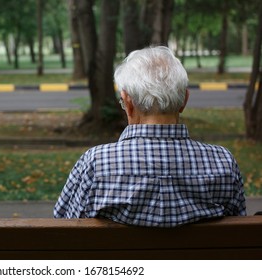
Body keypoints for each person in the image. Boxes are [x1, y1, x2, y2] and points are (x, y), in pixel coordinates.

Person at [54, 46, 247, 227]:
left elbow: (62, 227)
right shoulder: (223, 163)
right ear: (184, 101)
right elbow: (240, 228)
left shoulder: (96, 164)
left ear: (128, 103)